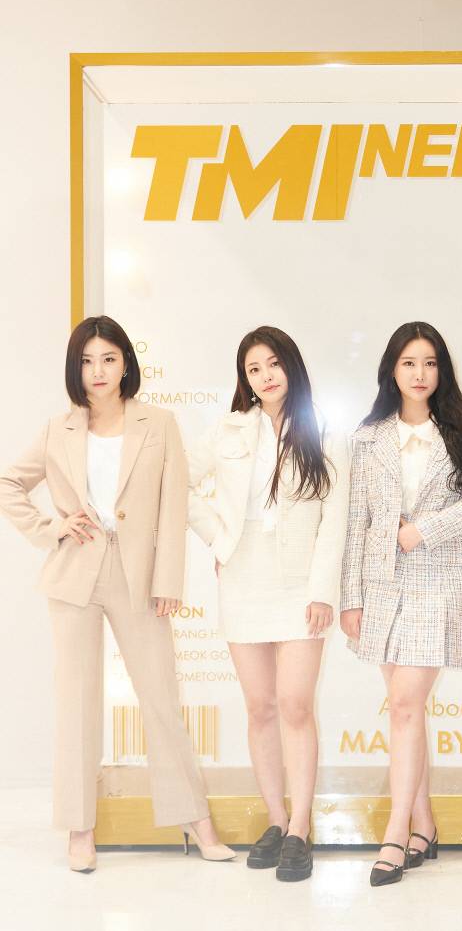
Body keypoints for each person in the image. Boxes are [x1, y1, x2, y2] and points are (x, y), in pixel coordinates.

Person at [0, 316, 234, 872]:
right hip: (75, 573)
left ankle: (194, 819)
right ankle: (80, 828)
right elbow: (9, 483)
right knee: (77, 702)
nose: (98, 371)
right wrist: (51, 527)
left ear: (126, 362)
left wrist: (168, 581)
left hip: (139, 576)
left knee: (160, 698)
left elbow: (173, 505)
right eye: (87, 361)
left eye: (108, 358)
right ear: (74, 368)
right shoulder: (58, 429)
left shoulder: (159, 423)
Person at [187, 325, 349, 882]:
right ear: (245, 378)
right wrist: (218, 539)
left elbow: (335, 519)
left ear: (291, 365)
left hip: (301, 581)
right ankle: (277, 820)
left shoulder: (323, 430)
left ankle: (301, 826)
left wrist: (323, 590)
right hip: (243, 576)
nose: (265, 376)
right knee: (260, 707)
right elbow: (178, 481)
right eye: (253, 369)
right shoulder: (230, 428)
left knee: (295, 705)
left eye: (273, 363)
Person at [340, 321, 462, 886]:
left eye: (429, 362)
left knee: (405, 706)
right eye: (409, 362)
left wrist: (422, 531)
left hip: (436, 579)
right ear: (392, 370)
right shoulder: (369, 437)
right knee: (407, 712)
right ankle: (425, 825)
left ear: (442, 369)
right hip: (380, 585)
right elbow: (356, 522)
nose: (420, 373)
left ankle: (395, 832)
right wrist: (351, 597)